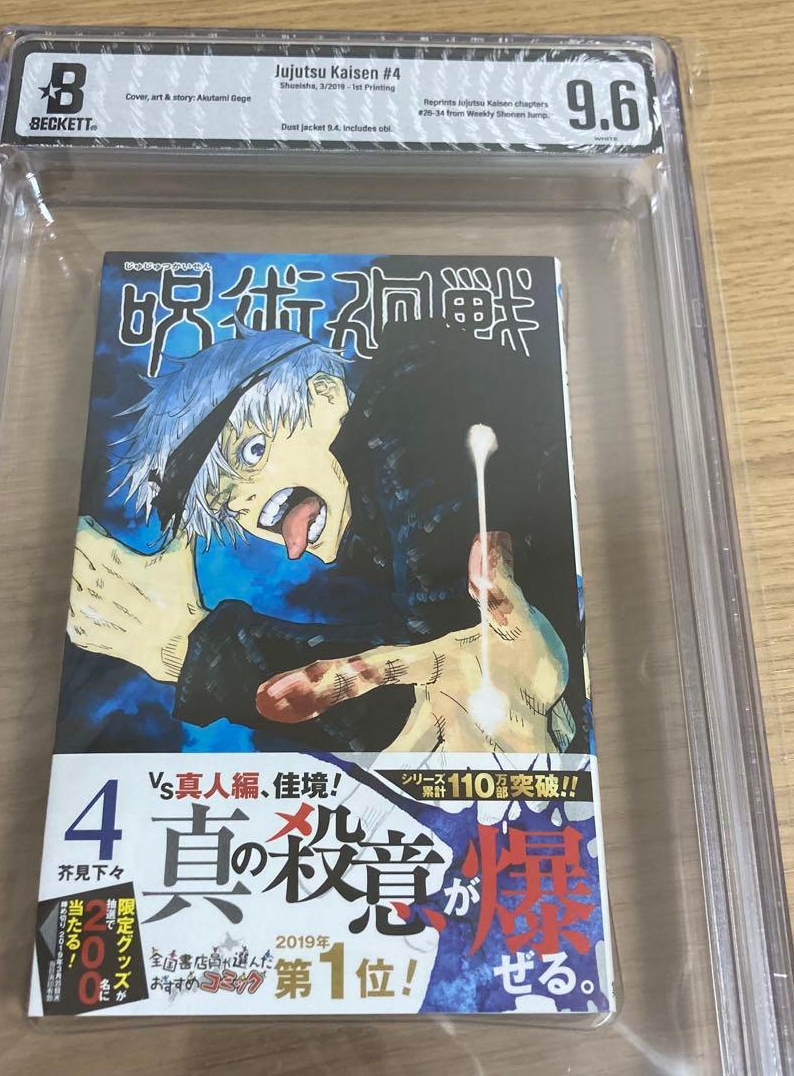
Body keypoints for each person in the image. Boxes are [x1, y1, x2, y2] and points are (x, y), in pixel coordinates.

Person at [69, 319, 581, 755]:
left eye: (251, 452)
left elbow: (451, 659)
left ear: (326, 394)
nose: (249, 506)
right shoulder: (373, 537)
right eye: (229, 503)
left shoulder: (411, 397)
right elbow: (445, 688)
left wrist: (194, 648)